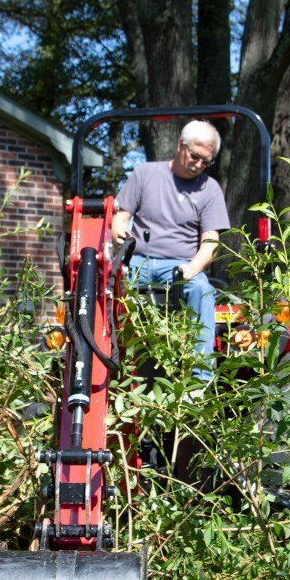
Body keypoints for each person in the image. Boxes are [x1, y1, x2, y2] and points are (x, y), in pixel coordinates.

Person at [111, 120, 230, 383]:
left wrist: (193, 268)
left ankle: (199, 381)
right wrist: (120, 234)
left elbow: (211, 242)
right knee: (105, 290)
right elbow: (121, 217)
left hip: (179, 267)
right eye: (196, 156)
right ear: (180, 146)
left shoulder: (209, 190)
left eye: (206, 161)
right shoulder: (145, 174)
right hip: (138, 261)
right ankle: (106, 364)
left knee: (202, 290)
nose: (199, 164)